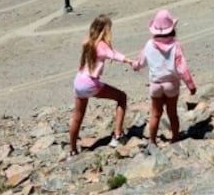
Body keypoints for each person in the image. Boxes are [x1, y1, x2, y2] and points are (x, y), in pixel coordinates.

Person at [69, 14, 132, 156]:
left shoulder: (87, 42)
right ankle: (117, 136)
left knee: (77, 117)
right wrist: (129, 60)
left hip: (78, 82)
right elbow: (114, 55)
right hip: (90, 83)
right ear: (105, 30)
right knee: (121, 97)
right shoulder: (101, 45)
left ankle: (72, 150)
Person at [132, 9, 196, 145]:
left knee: (155, 113)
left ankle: (152, 140)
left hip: (155, 84)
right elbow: (182, 68)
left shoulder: (149, 44)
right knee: (172, 113)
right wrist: (190, 85)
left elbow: (140, 63)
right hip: (171, 84)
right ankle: (175, 138)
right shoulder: (175, 45)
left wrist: (135, 65)